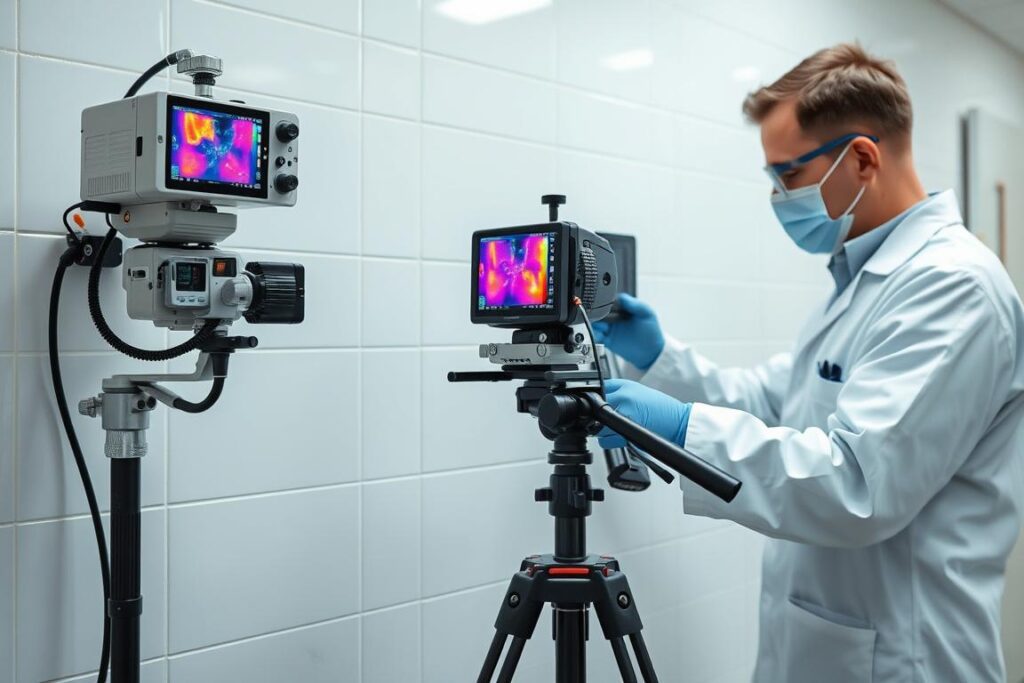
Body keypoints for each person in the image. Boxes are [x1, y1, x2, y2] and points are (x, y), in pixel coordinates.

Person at [593, 43, 1024, 682]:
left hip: (907, 656)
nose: (776, 197)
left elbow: (857, 485)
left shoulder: (952, 287)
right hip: (838, 643)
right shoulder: (862, 281)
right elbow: (777, 402)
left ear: (861, 158)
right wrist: (660, 360)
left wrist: (682, 430)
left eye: (786, 175)